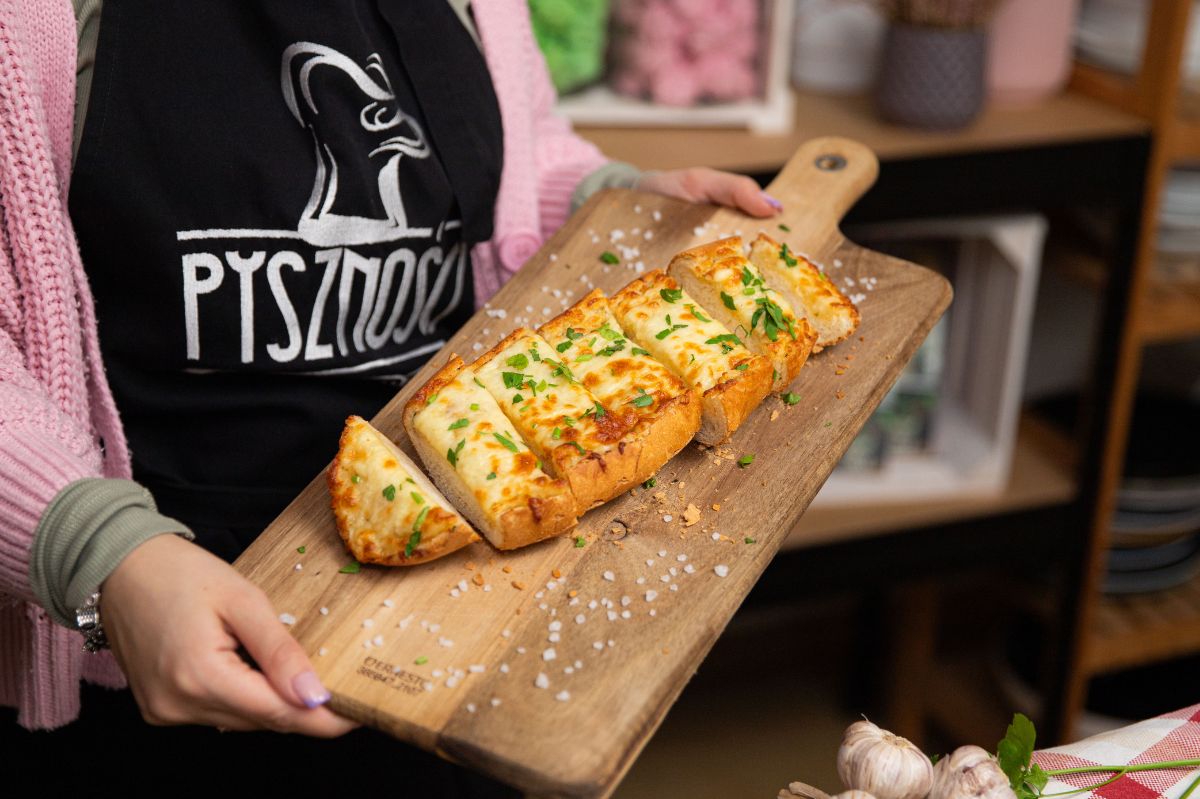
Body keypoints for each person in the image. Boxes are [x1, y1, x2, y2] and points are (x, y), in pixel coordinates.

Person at [1, 0, 782, 789]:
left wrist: (606, 202)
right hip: (159, 592)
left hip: (461, 577)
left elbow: (506, 154)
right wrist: (99, 552)